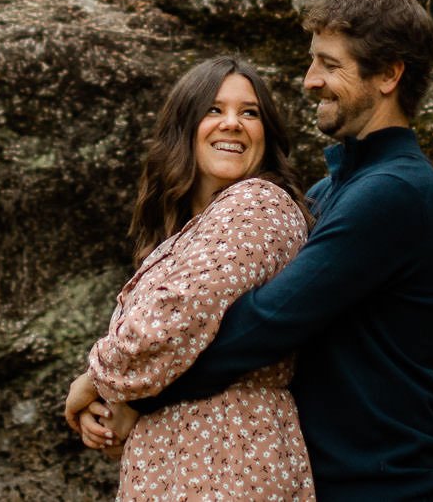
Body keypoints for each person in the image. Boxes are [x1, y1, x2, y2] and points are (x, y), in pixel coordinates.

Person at [80, 0, 433, 502]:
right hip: (332, 479)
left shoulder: (395, 192)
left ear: (389, 74)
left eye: (329, 64)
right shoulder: (331, 192)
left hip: (391, 485)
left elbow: (265, 324)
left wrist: (123, 388)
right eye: (313, 62)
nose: (310, 81)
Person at [62, 55, 317, 502]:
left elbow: (173, 319)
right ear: (185, 126)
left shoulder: (258, 204)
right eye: (214, 110)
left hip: (230, 456)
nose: (233, 123)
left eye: (250, 112)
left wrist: (94, 383)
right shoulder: (190, 230)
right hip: (181, 464)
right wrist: (116, 406)